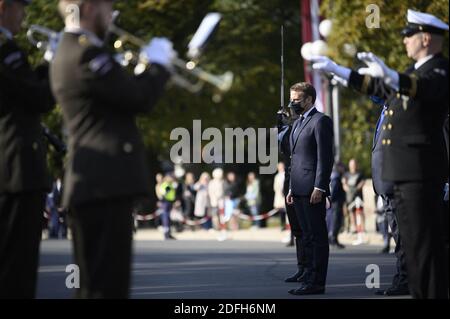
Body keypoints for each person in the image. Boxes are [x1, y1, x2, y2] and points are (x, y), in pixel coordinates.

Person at [312, 9, 448, 299]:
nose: (404, 42)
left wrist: (391, 76)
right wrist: (339, 70)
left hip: (421, 174)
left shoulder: (438, 70)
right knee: (413, 250)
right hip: (403, 175)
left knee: (426, 250)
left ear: (425, 37)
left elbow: (422, 89)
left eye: (408, 36)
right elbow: (377, 86)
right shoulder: (412, 73)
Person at [50, 0, 174, 298]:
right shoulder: (85, 53)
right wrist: (158, 66)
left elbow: (117, 98)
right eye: (109, 7)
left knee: (94, 286)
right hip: (103, 184)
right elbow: (138, 98)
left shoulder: (76, 49)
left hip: (97, 184)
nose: (113, 14)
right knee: (106, 288)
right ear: (90, 8)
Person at [0, 0, 55, 298]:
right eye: (20, 7)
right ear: (3, 7)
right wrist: (50, 63)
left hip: (12, 167)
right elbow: (40, 99)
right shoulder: (6, 50)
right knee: (17, 267)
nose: (24, 15)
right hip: (16, 169)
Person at [286, 82, 334, 295]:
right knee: (306, 236)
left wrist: (320, 187)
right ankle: (308, 275)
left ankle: (317, 281)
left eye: (296, 100)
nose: (292, 103)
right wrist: (290, 188)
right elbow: (293, 159)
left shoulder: (320, 121)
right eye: (292, 99)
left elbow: (325, 158)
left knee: (317, 237)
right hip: (297, 189)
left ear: (309, 99)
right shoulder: (297, 123)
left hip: (312, 190)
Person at [342, 158, 366, 245]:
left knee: (360, 212)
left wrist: (356, 189)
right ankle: (354, 228)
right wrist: (348, 190)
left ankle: (362, 229)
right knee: (351, 213)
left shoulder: (360, 174)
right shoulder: (346, 174)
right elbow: (344, 183)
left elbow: (363, 182)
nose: (353, 166)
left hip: (358, 197)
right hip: (349, 197)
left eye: (354, 164)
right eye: (351, 164)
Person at [329, 162, 346, 249]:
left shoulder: (335, 176)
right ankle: (333, 239)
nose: (344, 169)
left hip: (336, 203)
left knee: (337, 222)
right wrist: (331, 200)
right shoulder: (336, 177)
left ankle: (335, 239)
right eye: (342, 167)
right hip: (336, 203)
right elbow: (334, 190)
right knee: (335, 222)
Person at [273, 162, 288, 231]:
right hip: (279, 196)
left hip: (284, 195)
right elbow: (275, 187)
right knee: (281, 212)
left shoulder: (285, 174)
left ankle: (287, 225)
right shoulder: (277, 176)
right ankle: (283, 225)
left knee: (286, 211)